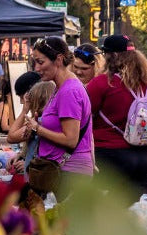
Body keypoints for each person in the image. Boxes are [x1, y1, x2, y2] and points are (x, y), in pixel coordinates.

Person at [87, 34, 147, 197]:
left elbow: (83, 118)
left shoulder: (102, 83)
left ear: (111, 56)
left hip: (110, 154)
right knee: (143, 206)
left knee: (111, 207)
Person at [26, 36, 94, 182]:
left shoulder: (68, 91)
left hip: (69, 174)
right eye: (35, 62)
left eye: (41, 62)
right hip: (65, 171)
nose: (37, 68)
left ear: (58, 59)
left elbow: (70, 139)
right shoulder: (62, 88)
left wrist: (37, 128)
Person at [7, 78, 54, 175]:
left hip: (36, 174)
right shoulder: (46, 120)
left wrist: (25, 110)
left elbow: (11, 137)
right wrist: (21, 155)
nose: (22, 102)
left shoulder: (38, 122)